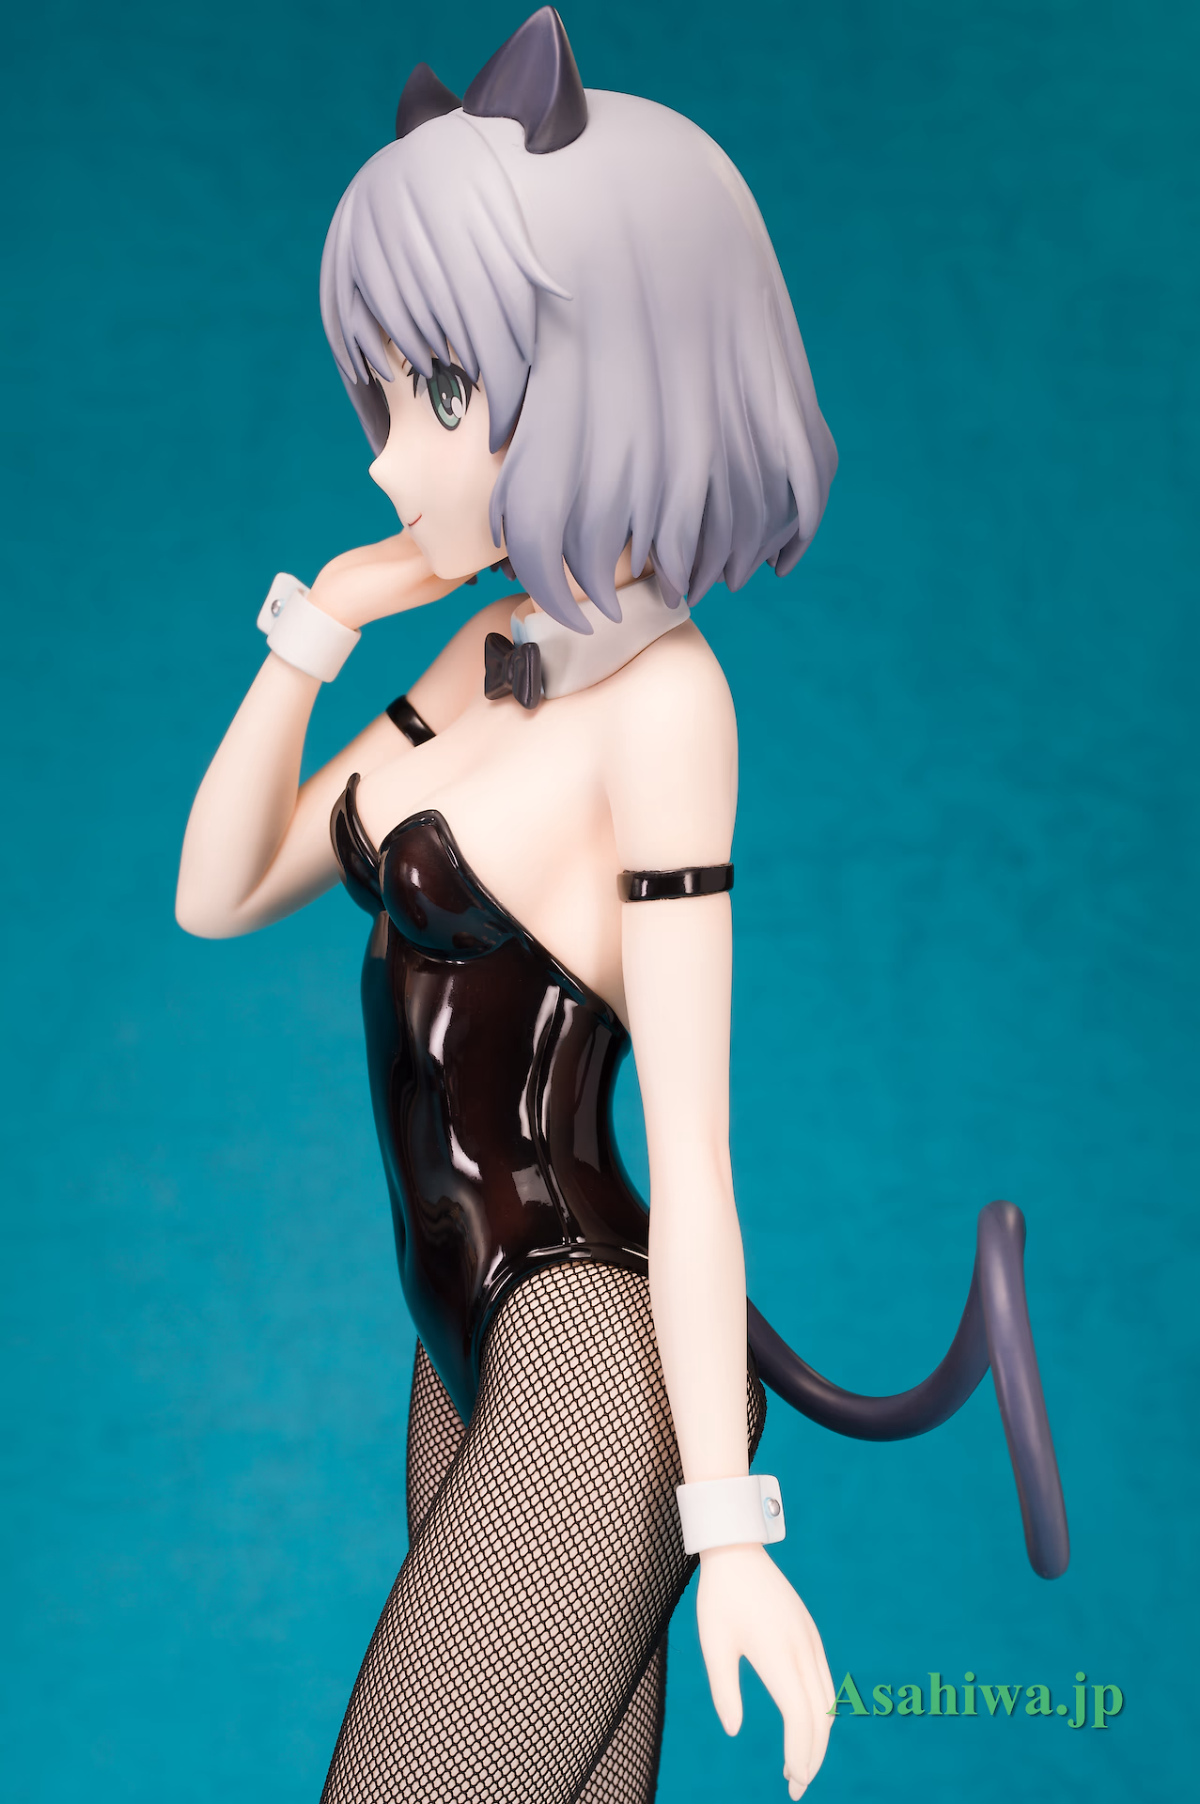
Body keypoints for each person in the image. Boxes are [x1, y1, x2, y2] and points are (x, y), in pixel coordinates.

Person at [176, 11, 839, 1800]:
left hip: (592, 1362)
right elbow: (220, 888)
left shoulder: (667, 708)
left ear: (608, 361)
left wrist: (733, 1530)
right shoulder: (482, 651)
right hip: (465, 1351)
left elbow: (693, 1153)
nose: (395, 458)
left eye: (445, 395)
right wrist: (320, 618)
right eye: (384, 396)